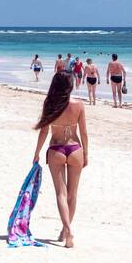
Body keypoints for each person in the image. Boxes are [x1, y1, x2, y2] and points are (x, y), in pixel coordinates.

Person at [31, 72, 88, 249]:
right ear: (70, 86)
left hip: (56, 149)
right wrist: (86, 153)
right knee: (73, 194)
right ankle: (66, 230)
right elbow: (84, 133)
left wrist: (37, 153)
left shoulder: (50, 104)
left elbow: (44, 131)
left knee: (61, 193)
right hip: (75, 149)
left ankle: (67, 231)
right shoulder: (78, 105)